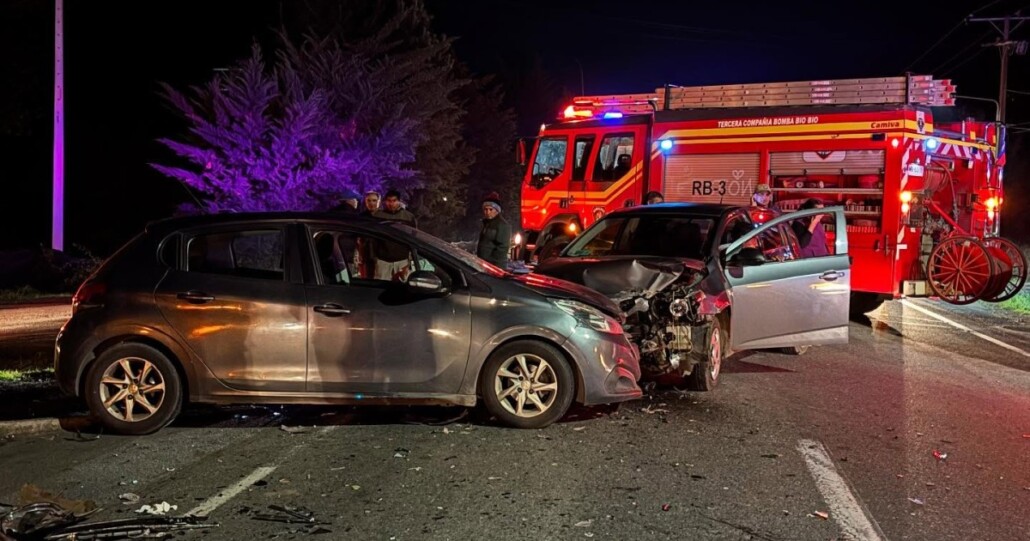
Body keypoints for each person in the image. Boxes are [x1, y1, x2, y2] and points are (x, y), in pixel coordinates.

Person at [371, 189, 418, 280]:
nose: (391, 203)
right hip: (383, 259)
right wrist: (374, 255)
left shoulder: (408, 217)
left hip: (402, 259)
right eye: (389, 201)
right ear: (385, 201)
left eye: (394, 201)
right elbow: (373, 238)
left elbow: (413, 237)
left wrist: (411, 258)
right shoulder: (378, 216)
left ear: (399, 201)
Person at [476, 192, 512, 269]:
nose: (487, 212)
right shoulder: (486, 224)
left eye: (490, 209)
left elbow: (502, 248)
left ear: (497, 210)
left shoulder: (502, 225)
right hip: (484, 264)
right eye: (485, 209)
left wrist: (491, 263)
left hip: (495, 266)